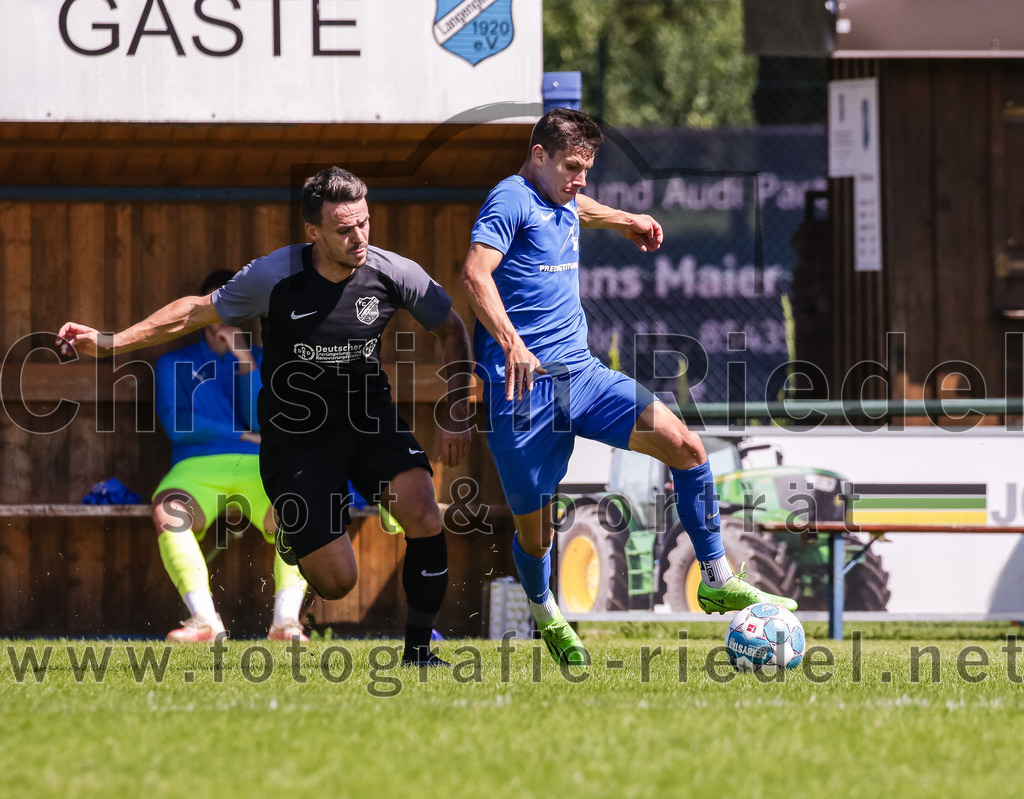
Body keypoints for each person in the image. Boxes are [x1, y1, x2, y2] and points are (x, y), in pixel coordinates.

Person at [59, 167, 472, 666]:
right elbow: (195, 311)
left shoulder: (393, 271)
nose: (359, 236)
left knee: (425, 515)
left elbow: (452, 329)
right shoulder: (274, 276)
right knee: (338, 582)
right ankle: (301, 542)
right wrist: (110, 342)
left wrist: (456, 410)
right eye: (344, 229)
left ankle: (419, 652)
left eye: (364, 222)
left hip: (368, 418)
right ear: (312, 232)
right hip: (296, 438)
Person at [459, 108, 797, 667]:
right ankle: (546, 612)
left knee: (686, 448)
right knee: (537, 534)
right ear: (538, 155)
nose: (581, 179)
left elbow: (578, 207)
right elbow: (475, 273)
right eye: (572, 166)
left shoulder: (562, 195)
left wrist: (624, 218)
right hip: (523, 393)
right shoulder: (511, 198)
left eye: (587, 168)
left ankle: (714, 577)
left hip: (582, 376)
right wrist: (511, 341)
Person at [153, 269, 308, 643]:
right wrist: (240, 434)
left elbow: (264, 420)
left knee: (301, 511)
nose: (225, 319)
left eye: (236, 311)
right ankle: (205, 621)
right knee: (168, 512)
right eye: (217, 309)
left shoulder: (267, 361)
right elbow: (179, 424)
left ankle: (286, 623)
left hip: (261, 466)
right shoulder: (174, 363)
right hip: (196, 467)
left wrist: (243, 357)